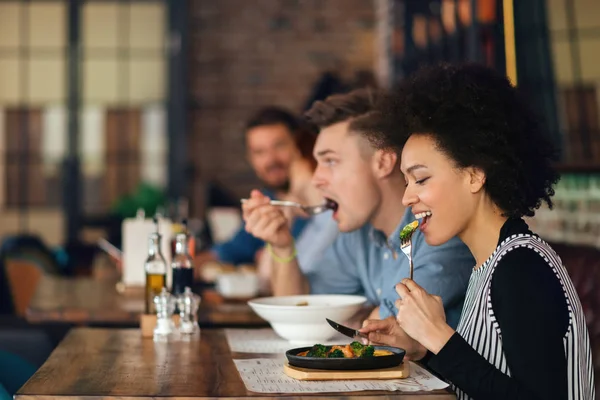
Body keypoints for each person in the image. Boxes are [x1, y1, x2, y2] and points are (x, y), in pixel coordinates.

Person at [360, 63, 594, 399]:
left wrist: (438, 335)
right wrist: (424, 349)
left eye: (421, 179)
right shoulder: (490, 262)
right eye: (407, 180)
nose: (406, 196)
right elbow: (486, 383)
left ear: (474, 175)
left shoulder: (521, 268)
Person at [242, 89, 474, 326]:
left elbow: (388, 332)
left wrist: (353, 317)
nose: (316, 179)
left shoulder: (439, 232)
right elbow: (303, 313)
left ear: (382, 163)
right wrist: (282, 246)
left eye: (331, 161)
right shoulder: (359, 235)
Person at [203, 107, 309, 266]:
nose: (271, 160)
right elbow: (229, 251)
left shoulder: (321, 205)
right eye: (259, 152)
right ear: (250, 159)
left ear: (300, 146)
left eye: (279, 146)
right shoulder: (267, 201)